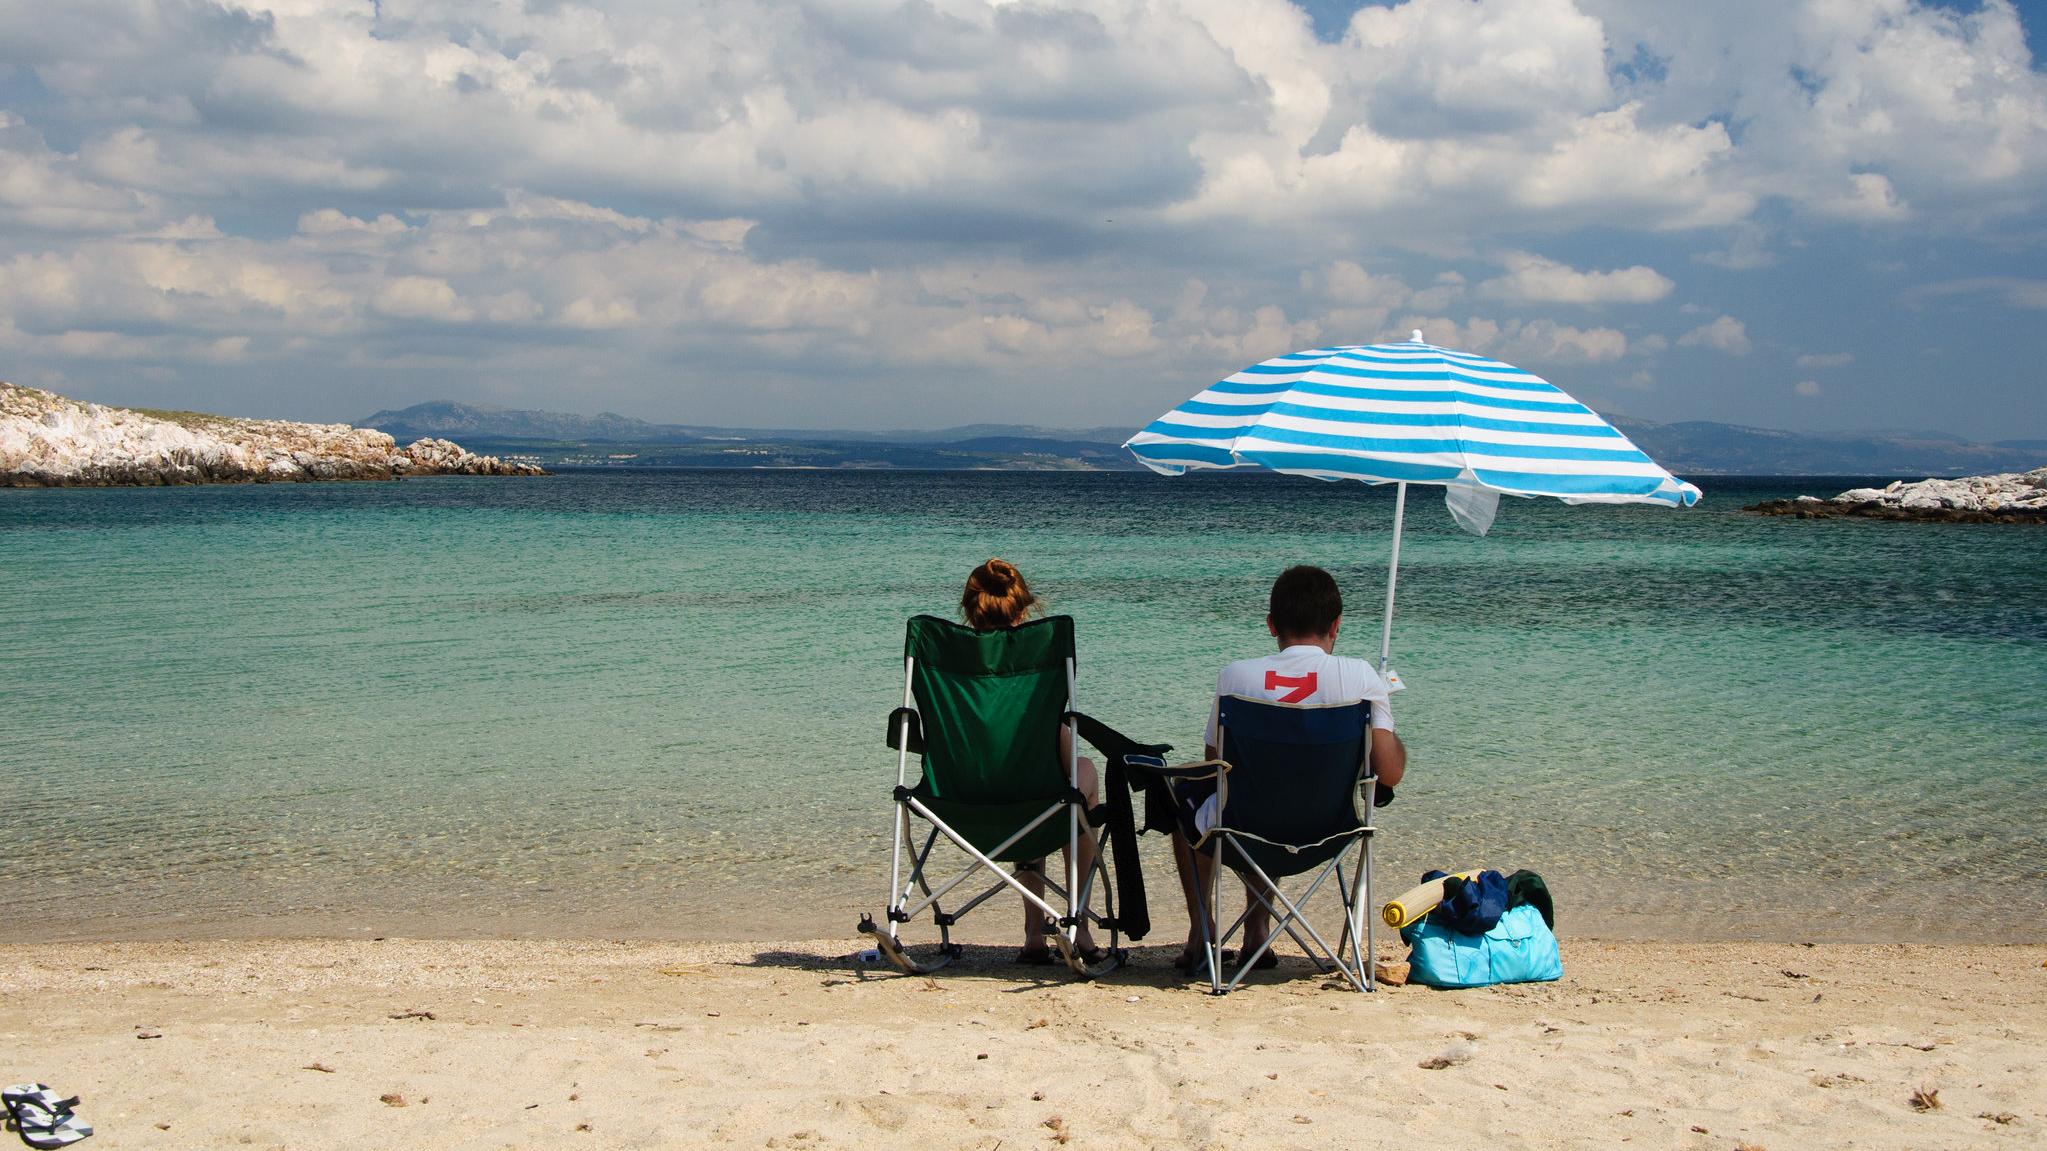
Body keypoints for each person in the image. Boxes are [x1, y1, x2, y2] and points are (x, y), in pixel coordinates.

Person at [1170, 564, 1407, 972]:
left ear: (1271, 624)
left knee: (1186, 794)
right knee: (1276, 788)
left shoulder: (1236, 678)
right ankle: (1257, 931)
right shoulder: (1362, 679)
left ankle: (1202, 931)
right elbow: (1389, 774)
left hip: (1248, 829)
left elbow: (1214, 761)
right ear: (1336, 625)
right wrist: (1384, 710)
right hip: (1330, 831)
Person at [957, 558, 1106, 964]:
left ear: (970, 611)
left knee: (1036, 786)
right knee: (1077, 776)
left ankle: (1033, 934)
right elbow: (1063, 751)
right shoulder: (1037, 671)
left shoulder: (950, 669)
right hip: (1034, 802)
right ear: (1023, 613)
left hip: (957, 807)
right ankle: (1079, 925)